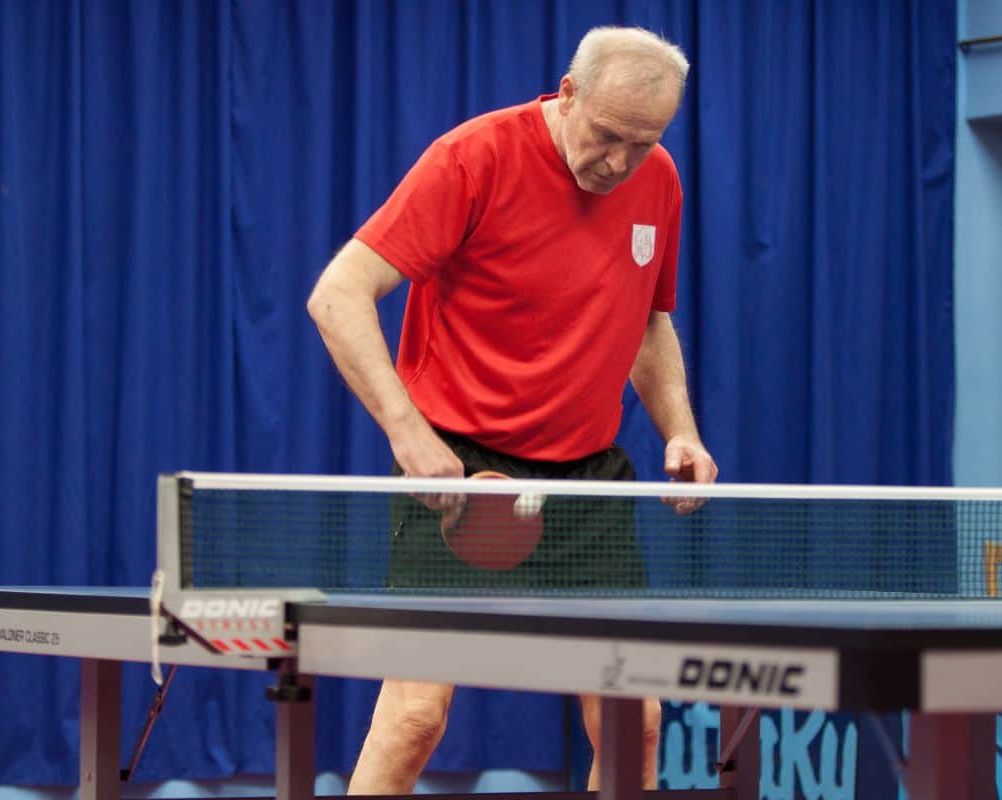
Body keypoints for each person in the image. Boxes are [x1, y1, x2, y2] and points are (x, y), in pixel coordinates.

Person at [307, 24, 717, 796]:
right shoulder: (473, 157)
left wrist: (681, 431)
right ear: (567, 93)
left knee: (635, 721)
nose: (619, 162)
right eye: (606, 136)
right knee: (415, 716)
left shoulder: (658, 179)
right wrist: (408, 433)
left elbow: (648, 320)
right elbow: (338, 294)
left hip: (586, 484)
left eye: (643, 142)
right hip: (459, 478)